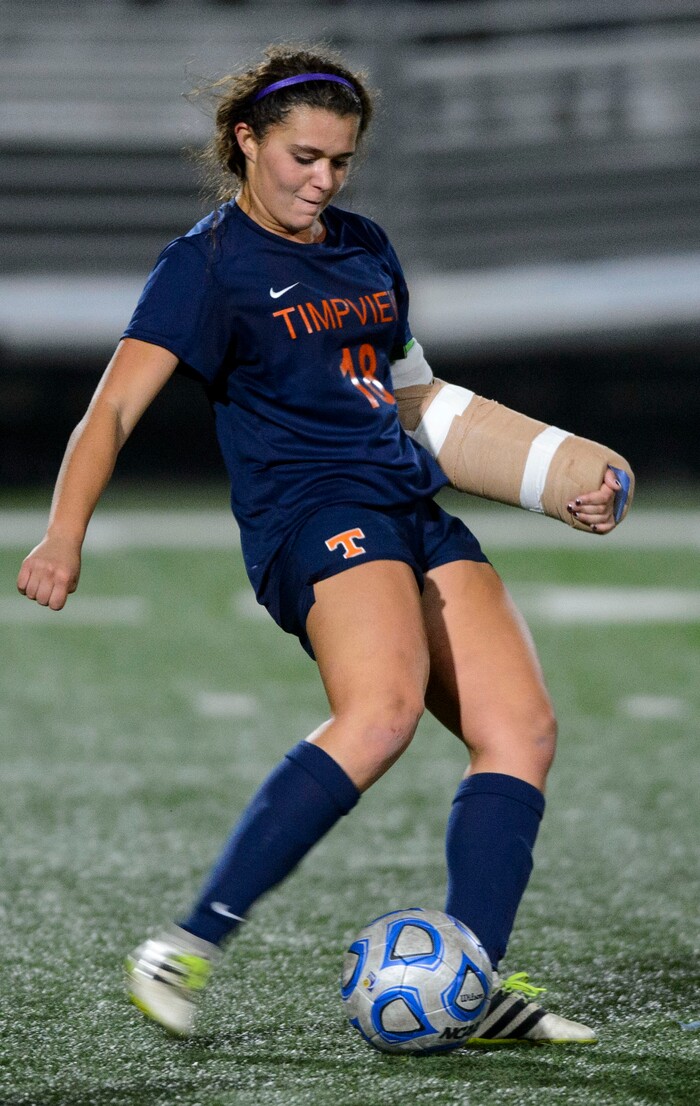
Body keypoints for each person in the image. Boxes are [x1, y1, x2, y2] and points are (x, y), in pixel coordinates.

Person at [17, 44, 631, 1046]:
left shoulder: (363, 245)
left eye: (340, 161)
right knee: (380, 711)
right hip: (310, 515)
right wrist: (63, 532)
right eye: (303, 156)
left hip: (408, 504)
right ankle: (185, 942)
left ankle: (468, 978)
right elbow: (112, 409)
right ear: (247, 141)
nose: (322, 180)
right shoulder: (205, 265)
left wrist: (551, 476)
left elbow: (415, 400)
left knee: (520, 730)